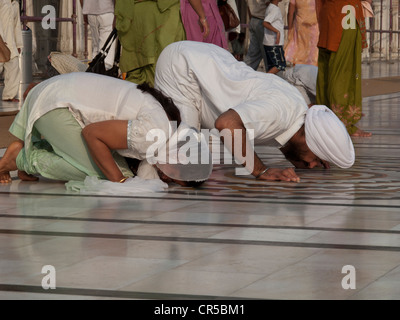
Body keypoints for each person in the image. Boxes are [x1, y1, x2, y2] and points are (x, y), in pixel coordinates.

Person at [155, 41, 355, 183]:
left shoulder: (296, 112)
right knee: (180, 168)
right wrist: (261, 171)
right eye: (316, 159)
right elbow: (227, 124)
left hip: (207, 61)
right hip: (183, 66)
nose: (311, 166)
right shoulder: (279, 114)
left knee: (188, 152)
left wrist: (316, 154)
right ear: (307, 138)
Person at [0, 73, 212, 186]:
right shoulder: (154, 133)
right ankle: (20, 158)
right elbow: (92, 134)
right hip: (54, 105)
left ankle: (32, 152)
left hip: (56, 96)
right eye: (174, 175)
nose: (166, 178)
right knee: (99, 174)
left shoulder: (167, 125)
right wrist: (119, 183)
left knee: (117, 168)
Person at [115, 0, 209, 86]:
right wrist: (202, 17)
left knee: (136, 69)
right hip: (163, 16)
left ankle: (138, 101)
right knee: (165, 68)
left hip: (134, 15)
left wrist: (117, 15)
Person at [315, 0, 372, 137]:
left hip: (330, 17)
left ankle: (325, 120)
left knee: (327, 73)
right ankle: (342, 124)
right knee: (344, 75)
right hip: (346, 19)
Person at [80, 0, 116, 71]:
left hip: (90, 12)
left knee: (96, 49)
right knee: (106, 53)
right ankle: (103, 75)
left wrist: (84, 11)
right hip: (107, 10)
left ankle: (94, 74)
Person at [284, 0, 319, 67]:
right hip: (314, 27)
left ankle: (298, 72)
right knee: (313, 52)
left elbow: (290, 13)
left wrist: (290, 29)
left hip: (300, 28)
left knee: (298, 50)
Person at [0, 0, 22, 103]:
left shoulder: (15, 4)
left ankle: (9, 95)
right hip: (1, 40)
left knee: (14, 68)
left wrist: (18, 44)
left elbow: (16, 24)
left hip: (11, 42)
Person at [244, 0, 269, 71]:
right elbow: (270, 4)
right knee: (269, 54)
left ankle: (243, 74)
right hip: (263, 21)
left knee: (253, 55)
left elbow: (248, 6)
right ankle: (272, 79)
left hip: (255, 19)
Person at [263, 0, 286, 74]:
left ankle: (268, 83)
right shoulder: (275, 9)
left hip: (269, 43)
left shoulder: (270, 7)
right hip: (274, 44)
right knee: (280, 65)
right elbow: (265, 23)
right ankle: (263, 80)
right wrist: (277, 32)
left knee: (272, 66)